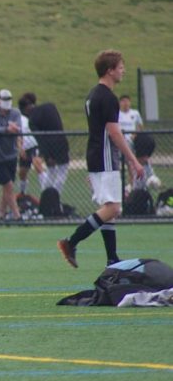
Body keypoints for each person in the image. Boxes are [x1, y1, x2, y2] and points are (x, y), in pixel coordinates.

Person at [58, 50, 144, 268]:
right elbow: (114, 133)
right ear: (110, 70)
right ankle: (71, 242)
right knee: (113, 208)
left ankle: (112, 259)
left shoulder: (92, 95)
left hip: (96, 155)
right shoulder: (107, 97)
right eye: (120, 67)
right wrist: (133, 160)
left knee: (109, 208)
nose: (123, 70)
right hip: (105, 157)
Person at [19, 93, 70, 194]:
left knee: (51, 172)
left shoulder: (32, 121)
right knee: (62, 172)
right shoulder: (50, 107)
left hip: (49, 148)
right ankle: (55, 196)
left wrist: (46, 154)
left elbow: (40, 139)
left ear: (25, 109)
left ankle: (46, 196)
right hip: (61, 142)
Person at [0, 89, 22, 222]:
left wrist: (13, 128)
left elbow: (18, 127)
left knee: (7, 186)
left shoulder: (15, 112)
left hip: (11, 155)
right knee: (9, 186)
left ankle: (1, 214)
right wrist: (7, 128)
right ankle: (17, 215)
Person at [15, 101, 44, 195]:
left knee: (37, 165)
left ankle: (46, 191)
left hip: (35, 145)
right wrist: (20, 148)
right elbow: (18, 134)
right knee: (22, 172)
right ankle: (23, 192)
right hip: (25, 147)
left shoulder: (34, 117)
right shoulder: (19, 118)